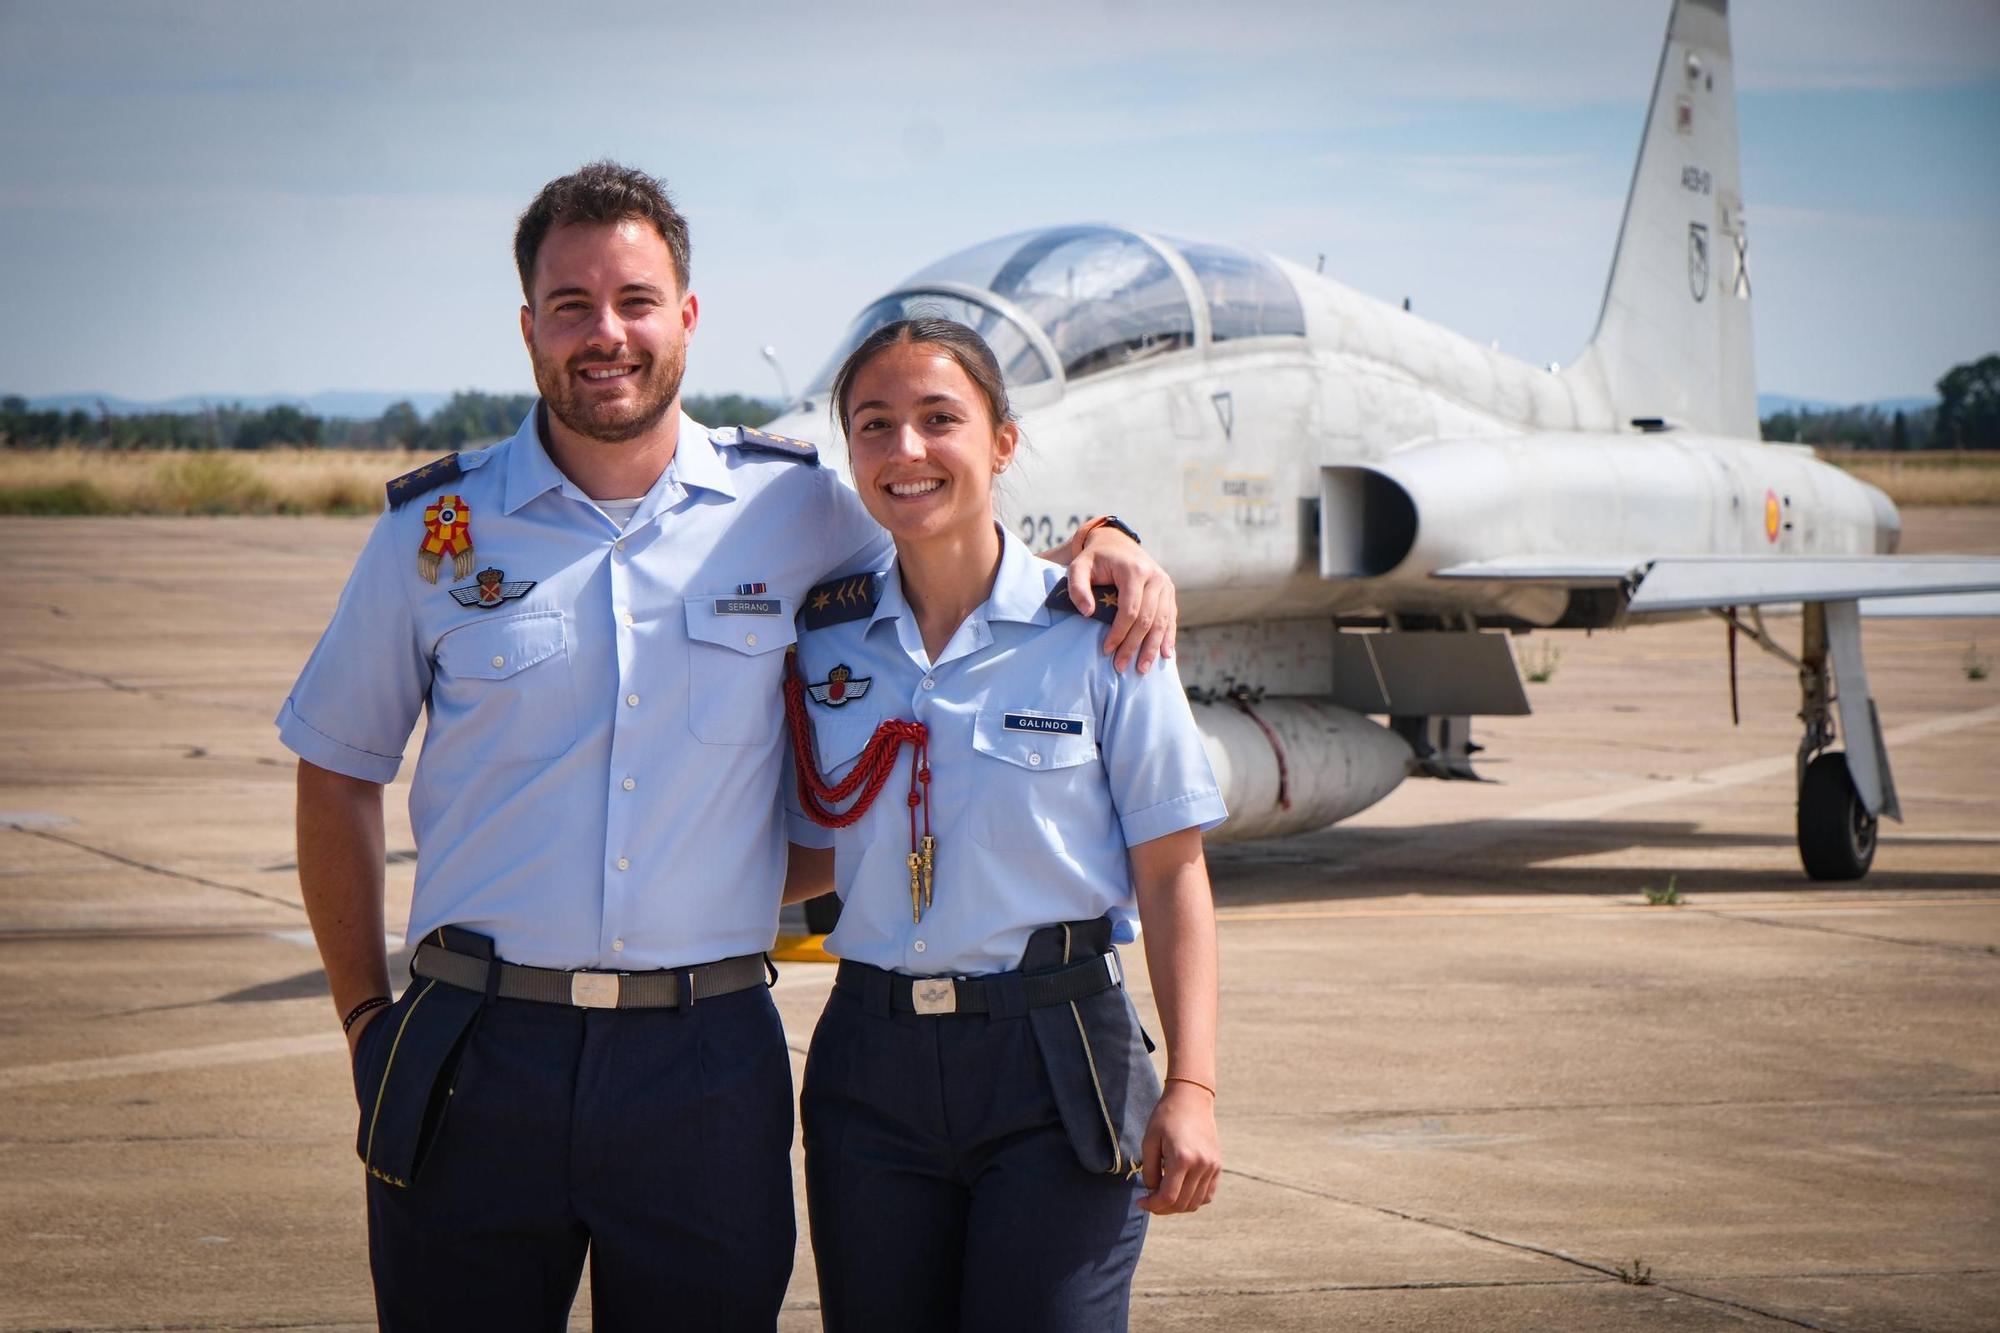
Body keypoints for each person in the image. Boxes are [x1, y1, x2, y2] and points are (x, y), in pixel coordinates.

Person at [277, 161, 1179, 1331]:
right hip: (473, 1054)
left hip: (703, 1067)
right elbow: (338, 770)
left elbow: (952, 510)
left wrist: (1111, 541)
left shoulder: (797, 510)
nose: (607, 334)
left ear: (687, 318)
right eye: (571, 306)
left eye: (636, 301)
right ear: (528, 329)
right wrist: (364, 1022)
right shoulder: (432, 534)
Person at [782, 318, 1224, 1333]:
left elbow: (1170, 871)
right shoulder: (823, 639)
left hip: (1056, 1055)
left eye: (940, 419)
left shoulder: (1105, 629)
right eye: (874, 425)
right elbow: (806, 843)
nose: (906, 450)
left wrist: (1192, 1087)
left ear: (1003, 441)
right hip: (868, 1061)